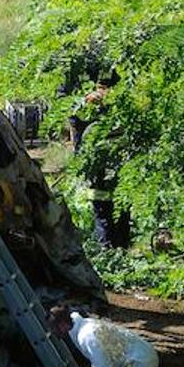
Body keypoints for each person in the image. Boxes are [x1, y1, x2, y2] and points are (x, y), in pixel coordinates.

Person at [68, 69, 129, 248]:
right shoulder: (71, 68)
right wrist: (84, 100)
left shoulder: (108, 65)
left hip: (117, 148)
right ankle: (106, 249)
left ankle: (122, 247)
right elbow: (64, 102)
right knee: (101, 202)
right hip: (92, 153)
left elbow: (126, 88)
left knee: (122, 199)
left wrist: (111, 95)